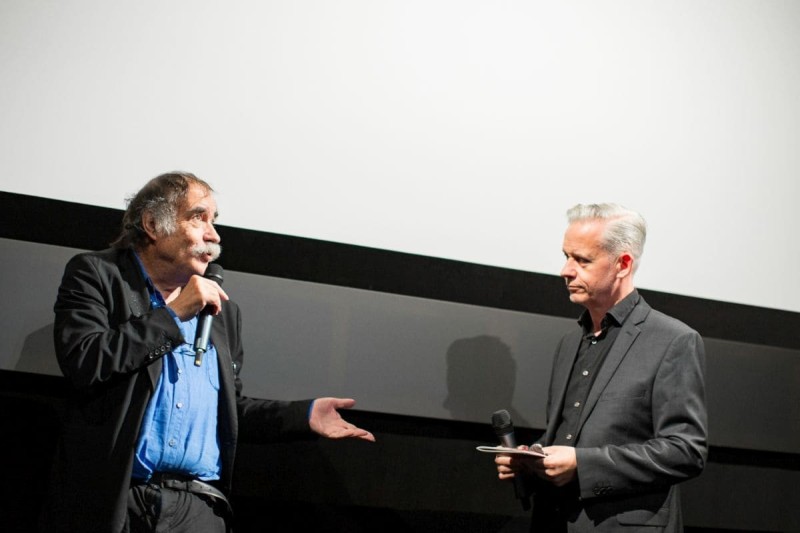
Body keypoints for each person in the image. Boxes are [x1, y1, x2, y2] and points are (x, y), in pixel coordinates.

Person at [42, 171, 375, 533]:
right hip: (118, 502)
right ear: (152, 224)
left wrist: (303, 416)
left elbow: (229, 411)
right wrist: (173, 315)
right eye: (198, 217)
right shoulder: (97, 274)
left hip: (198, 510)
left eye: (214, 221)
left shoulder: (223, 312)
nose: (213, 235)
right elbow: (86, 360)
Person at [494, 203, 707, 532]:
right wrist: (532, 459)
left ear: (623, 264)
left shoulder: (673, 340)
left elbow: (685, 451)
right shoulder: (570, 342)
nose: (566, 270)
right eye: (566, 256)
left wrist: (583, 466)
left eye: (582, 260)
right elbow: (568, 435)